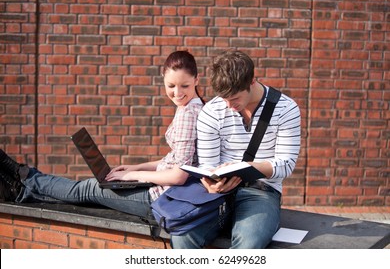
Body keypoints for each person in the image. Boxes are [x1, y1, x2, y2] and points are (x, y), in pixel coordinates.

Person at [0, 50, 204, 220]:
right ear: (163, 81)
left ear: (197, 79)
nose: (177, 93)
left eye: (184, 86)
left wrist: (133, 175)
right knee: (90, 188)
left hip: (161, 199)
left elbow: (178, 175)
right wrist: (136, 167)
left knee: (89, 189)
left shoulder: (188, 113)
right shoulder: (192, 106)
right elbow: (177, 159)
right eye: (171, 86)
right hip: (162, 190)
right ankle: (20, 188)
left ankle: (22, 176)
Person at [170, 50, 301, 249]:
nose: (229, 106)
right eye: (224, 99)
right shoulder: (212, 111)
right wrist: (210, 184)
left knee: (248, 244)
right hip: (218, 193)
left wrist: (247, 166)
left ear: (252, 82)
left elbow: (286, 165)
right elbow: (208, 165)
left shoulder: (286, 109)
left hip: (261, 191)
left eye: (235, 98)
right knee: (183, 235)